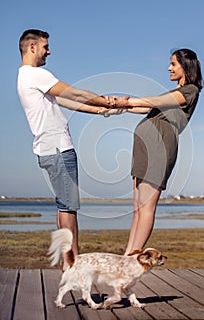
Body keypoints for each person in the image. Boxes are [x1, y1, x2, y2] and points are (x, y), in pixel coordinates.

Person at [17, 29, 128, 269]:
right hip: (58, 150)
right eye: (45, 46)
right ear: (32, 47)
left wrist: (106, 110)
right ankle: (74, 264)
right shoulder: (35, 74)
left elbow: (70, 102)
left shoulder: (27, 79)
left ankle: (69, 263)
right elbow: (74, 93)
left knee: (63, 206)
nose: (49, 51)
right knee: (69, 208)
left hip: (49, 150)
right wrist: (107, 100)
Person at [110, 48, 203, 255]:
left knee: (146, 207)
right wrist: (117, 106)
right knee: (137, 207)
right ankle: (127, 257)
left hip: (159, 147)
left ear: (185, 66)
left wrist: (127, 102)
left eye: (173, 64)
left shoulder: (190, 91)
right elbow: (145, 108)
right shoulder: (173, 92)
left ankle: (133, 258)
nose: (169, 68)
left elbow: (154, 102)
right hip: (144, 148)